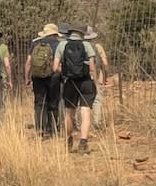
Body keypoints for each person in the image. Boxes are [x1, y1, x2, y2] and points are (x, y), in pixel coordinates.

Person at [53, 23, 96, 154]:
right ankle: (83, 142)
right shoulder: (87, 45)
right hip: (86, 82)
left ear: (69, 33)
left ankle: (68, 139)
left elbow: (54, 68)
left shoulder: (62, 45)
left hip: (70, 82)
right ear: (82, 34)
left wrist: (66, 71)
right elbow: (92, 68)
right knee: (85, 112)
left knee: (69, 113)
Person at [24, 23, 62, 138]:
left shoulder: (35, 43)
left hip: (37, 77)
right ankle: (53, 130)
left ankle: (40, 129)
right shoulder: (59, 44)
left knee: (39, 102)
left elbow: (29, 62)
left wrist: (27, 77)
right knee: (53, 103)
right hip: (54, 77)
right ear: (55, 34)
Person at [83, 26, 109, 129]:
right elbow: (105, 63)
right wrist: (105, 76)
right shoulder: (97, 46)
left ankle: (80, 123)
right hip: (97, 75)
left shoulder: (78, 46)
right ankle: (97, 122)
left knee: (82, 100)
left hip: (82, 76)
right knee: (97, 99)